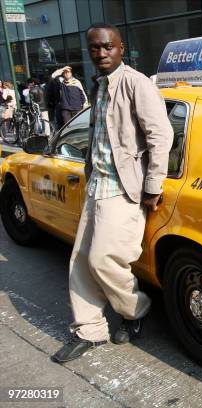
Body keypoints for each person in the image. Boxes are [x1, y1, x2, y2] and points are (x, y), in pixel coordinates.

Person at [51, 22, 173, 363]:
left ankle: (137, 309)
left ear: (122, 48)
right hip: (96, 185)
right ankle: (89, 330)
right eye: (95, 48)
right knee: (80, 263)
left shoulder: (136, 84)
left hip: (124, 189)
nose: (101, 53)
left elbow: (160, 136)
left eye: (108, 47)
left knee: (102, 259)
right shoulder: (99, 85)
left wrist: (152, 187)